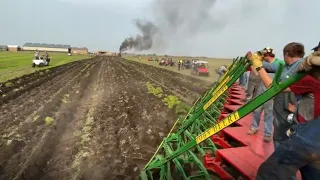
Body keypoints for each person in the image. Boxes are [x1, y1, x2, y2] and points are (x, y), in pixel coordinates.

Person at [247, 42, 320, 180]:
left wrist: (257, 65)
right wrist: (257, 61)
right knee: (311, 170)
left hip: (308, 130)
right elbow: (272, 65)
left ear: (286, 54)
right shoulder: (290, 66)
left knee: (269, 172)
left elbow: (273, 87)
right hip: (301, 120)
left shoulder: (304, 71)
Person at [247, 47, 282, 143]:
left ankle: (267, 133)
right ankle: (254, 127)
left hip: (271, 92)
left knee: (269, 112)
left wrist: (253, 60)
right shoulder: (265, 64)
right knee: (256, 109)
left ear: (267, 55)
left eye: (263, 55)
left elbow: (260, 64)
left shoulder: (279, 64)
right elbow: (255, 72)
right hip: (261, 89)